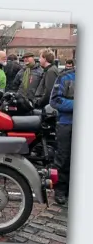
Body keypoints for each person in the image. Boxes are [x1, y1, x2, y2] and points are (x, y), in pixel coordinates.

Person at [49, 68, 75, 204]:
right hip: (67, 123)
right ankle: (60, 190)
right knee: (63, 158)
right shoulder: (66, 76)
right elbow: (55, 100)